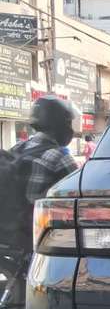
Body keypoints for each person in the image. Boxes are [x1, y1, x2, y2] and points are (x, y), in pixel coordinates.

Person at [13, 96, 77, 244]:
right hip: (39, 239)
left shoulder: (17, 148)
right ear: (61, 125)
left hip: (10, 238)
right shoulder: (59, 156)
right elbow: (79, 195)